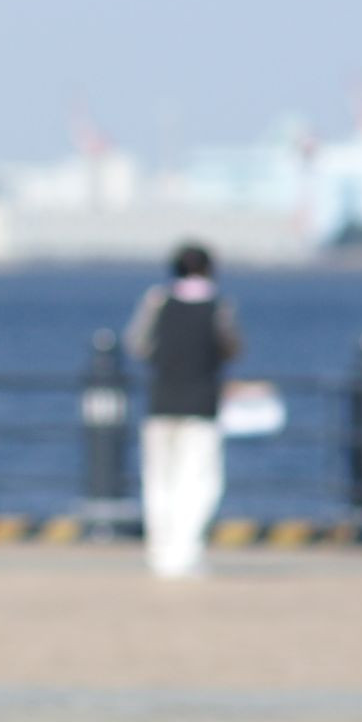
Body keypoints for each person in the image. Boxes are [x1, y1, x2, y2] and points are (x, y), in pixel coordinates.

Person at [126, 243, 241, 580]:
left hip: (161, 402)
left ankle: (160, 551)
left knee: (158, 481)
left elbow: (137, 344)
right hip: (202, 404)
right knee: (200, 481)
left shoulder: (157, 301)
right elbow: (232, 348)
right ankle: (186, 552)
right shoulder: (219, 305)